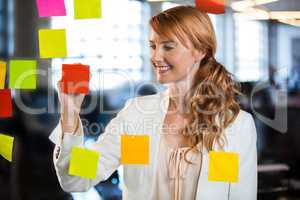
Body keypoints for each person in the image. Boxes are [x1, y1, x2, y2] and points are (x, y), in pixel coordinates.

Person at [49, 5, 257, 200]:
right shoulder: (137, 115)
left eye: (168, 46)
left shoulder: (235, 125)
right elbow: (75, 179)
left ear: (200, 51)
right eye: (153, 46)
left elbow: (240, 195)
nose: (156, 56)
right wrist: (69, 113)